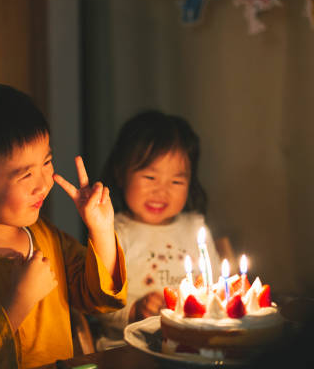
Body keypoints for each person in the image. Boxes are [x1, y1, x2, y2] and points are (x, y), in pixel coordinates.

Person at [0, 84, 126, 369]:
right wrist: (16, 303)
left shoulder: (45, 236)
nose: (43, 183)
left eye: (47, 162)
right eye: (25, 175)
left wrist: (101, 230)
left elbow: (100, 301)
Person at [94, 109, 221, 350]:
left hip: (190, 348)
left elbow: (214, 289)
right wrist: (134, 310)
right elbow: (98, 303)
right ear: (121, 174)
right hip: (128, 351)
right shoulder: (112, 232)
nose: (161, 192)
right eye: (150, 177)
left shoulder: (196, 228)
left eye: (176, 181)